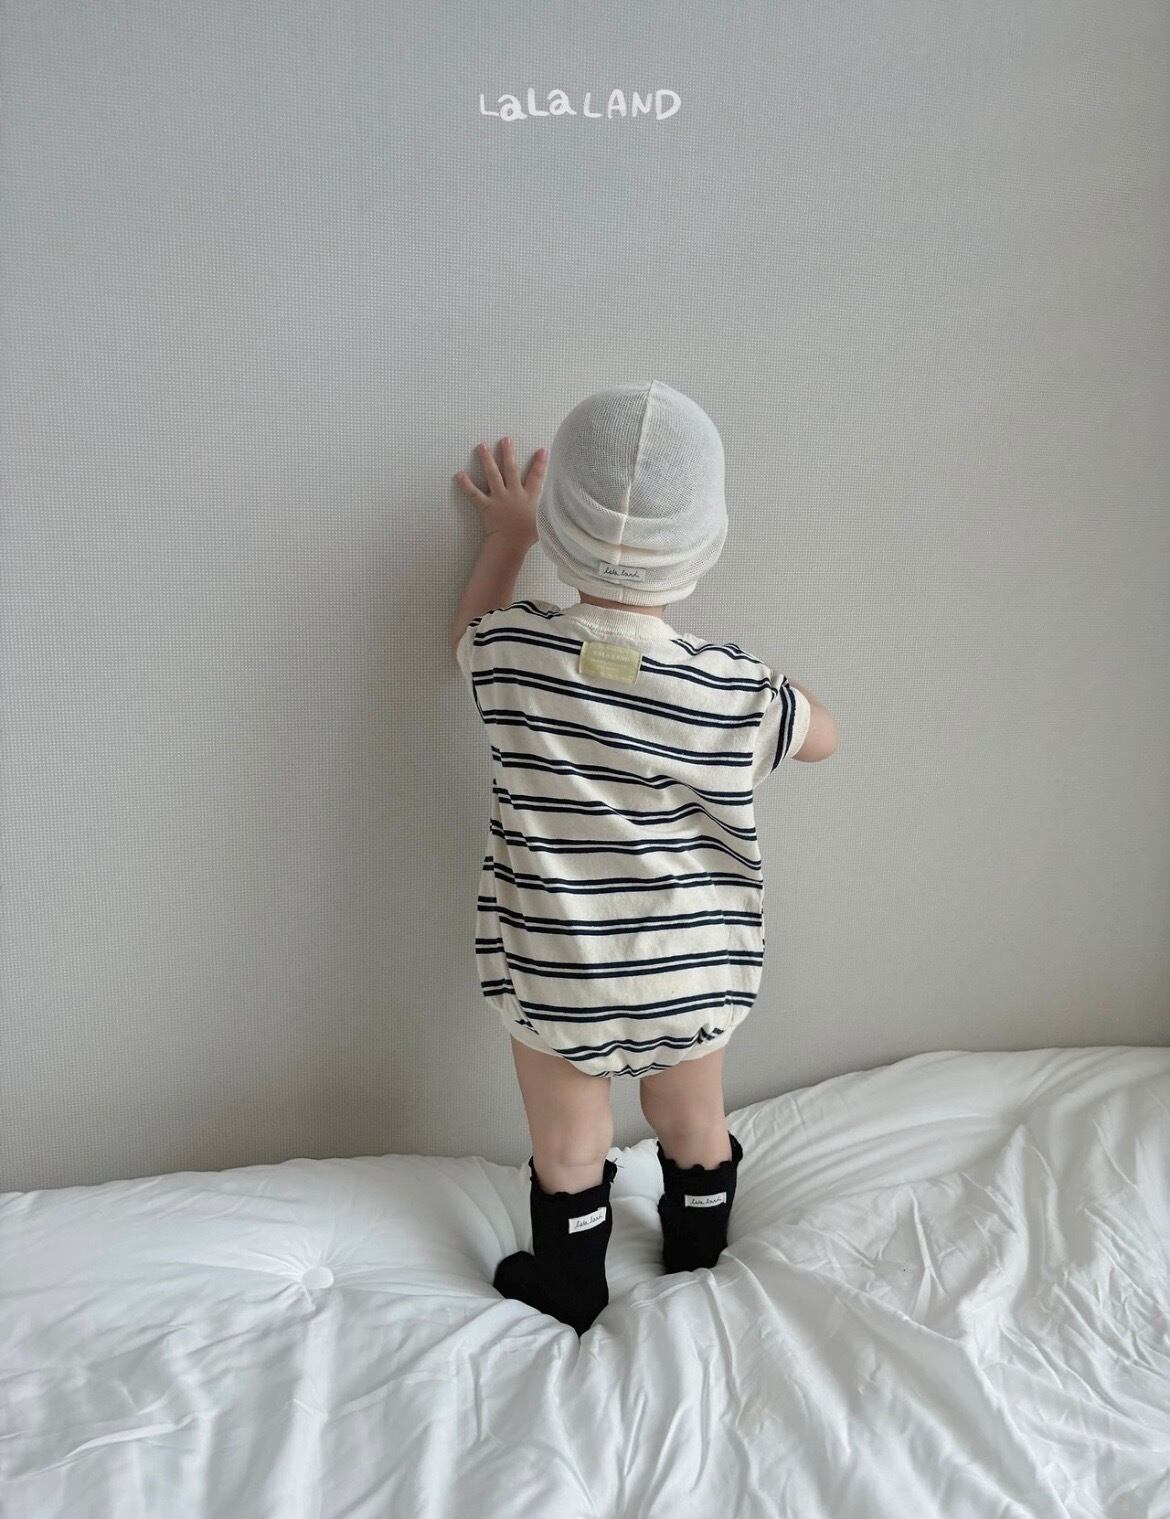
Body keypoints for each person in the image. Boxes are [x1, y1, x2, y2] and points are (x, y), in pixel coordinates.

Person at [449, 381, 838, 1335]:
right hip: (689, 967)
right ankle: (698, 1253)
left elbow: (466, 634)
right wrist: (774, 689)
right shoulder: (731, 690)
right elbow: (824, 736)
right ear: (707, 545)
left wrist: (506, 539)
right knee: (693, 1119)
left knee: (570, 1143)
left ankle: (571, 1286)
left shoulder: (511, 656)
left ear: (558, 531)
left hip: (560, 972)